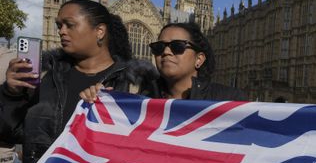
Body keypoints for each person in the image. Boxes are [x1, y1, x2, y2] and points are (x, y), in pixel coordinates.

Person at [0, 0, 158, 163]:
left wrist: (112, 109)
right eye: (59, 25)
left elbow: (148, 152)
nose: (61, 31)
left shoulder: (135, 83)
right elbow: (9, 134)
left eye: (70, 25)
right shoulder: (44, 75)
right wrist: (11, 93)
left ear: (100, 31)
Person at [81, 22, 246, 102]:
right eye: (159, 47)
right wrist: (103, 103)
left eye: (177, 46)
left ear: (199, 59)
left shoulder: (229, 100)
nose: (166, 52)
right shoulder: (141, 101)